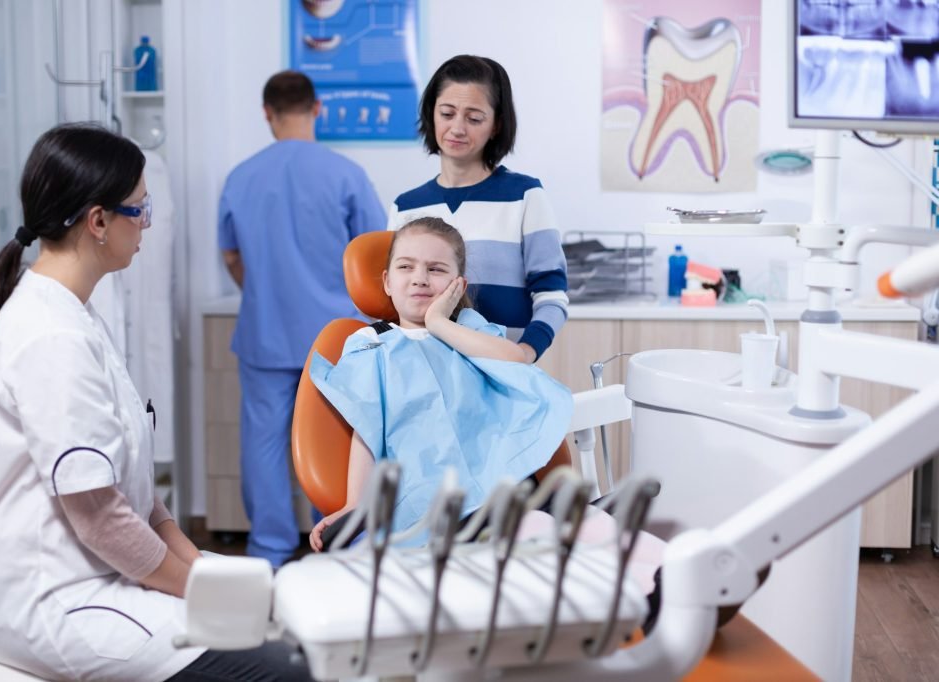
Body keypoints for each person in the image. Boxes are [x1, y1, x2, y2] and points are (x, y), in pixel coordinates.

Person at [0, 123, 311, 682]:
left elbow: (136, 495)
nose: (146, 226)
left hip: (106, 573)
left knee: (292, 618)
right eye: (140, 211)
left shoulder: (78, 314)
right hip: (60, 600)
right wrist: (194, 590)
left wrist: (197, 566)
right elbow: (100, 518)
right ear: (99, 222)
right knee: (285, 669)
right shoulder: (51, 335)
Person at [307, 218, 664, 594]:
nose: (419, 278)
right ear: (386, 282)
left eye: (437, 269)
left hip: (506, 477)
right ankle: (643, 585)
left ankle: (670, 571)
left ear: (458, 285)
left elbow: (514, 361)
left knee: (583, 524)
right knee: (544, 533)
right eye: (406, 267)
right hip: (439, 498)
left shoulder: (467, 328)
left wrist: (438, 323)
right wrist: (355, 505)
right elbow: (367, 426)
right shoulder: (369, 344)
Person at [218, 70, 387, 568]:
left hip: (265, 333)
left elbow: (230, 256)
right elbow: (373, 257)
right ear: (317, 110)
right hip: (333, 341)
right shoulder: (346, 175)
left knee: (264, 443)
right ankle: (334, 548)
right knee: (332, 443)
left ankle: (268, 553)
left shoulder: (240, 177)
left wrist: (266, 293)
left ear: (267, 114)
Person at [388, 55, 569, 364]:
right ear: (432, 114)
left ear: (496, 125)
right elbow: (394, 299)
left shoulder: (524, 196)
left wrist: (526, 351)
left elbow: (552, 297)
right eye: (447, 113)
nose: (457, 128)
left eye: (474, 118)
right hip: (431, 376)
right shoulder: (405, 207)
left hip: (506, 377)